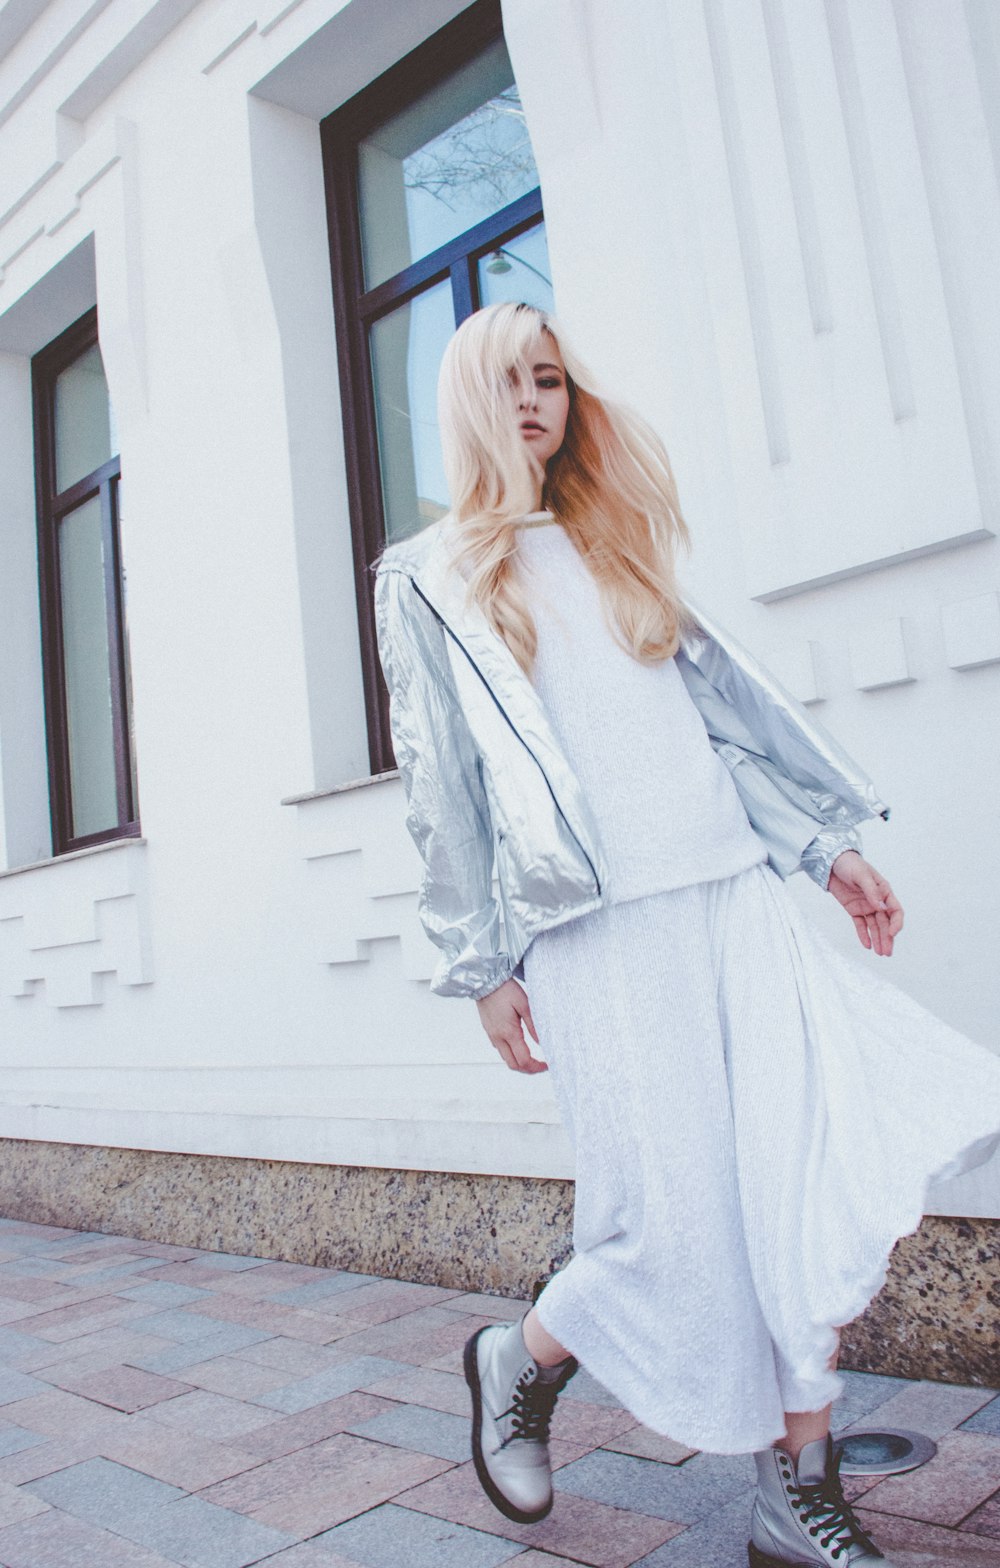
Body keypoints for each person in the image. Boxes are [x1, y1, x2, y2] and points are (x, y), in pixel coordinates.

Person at [372, 300, 1000, 1568]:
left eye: (550, 378)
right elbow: (441, 792)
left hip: (731, 899)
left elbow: (716, 733)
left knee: (791, 1179)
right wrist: (485, 965)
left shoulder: (615, 542)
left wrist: (825, 850)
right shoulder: (428, 577)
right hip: (596, 933)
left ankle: (798, 1489)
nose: (536, 401)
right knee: (664, 1227)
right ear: (466, 405)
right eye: (509, 383)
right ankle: (521, 1355)